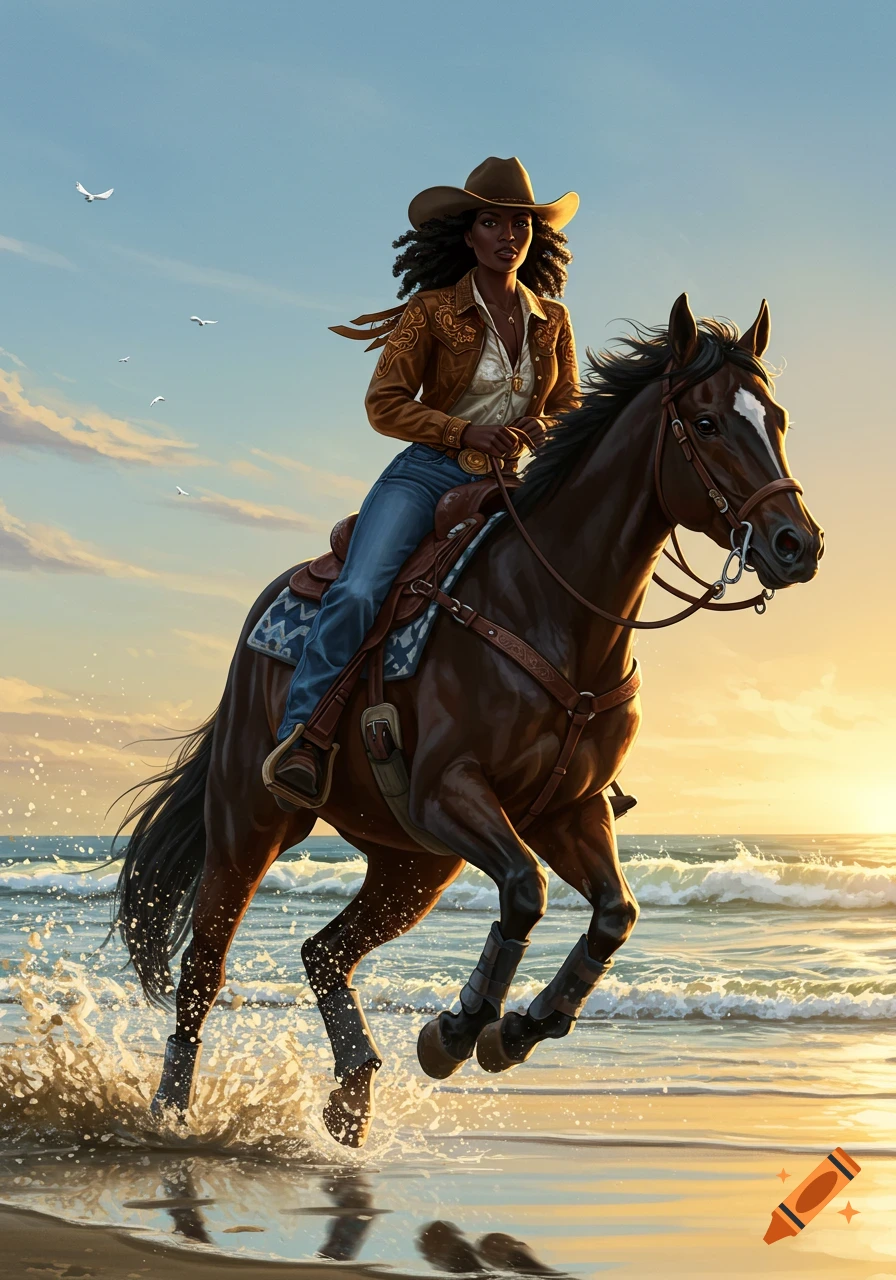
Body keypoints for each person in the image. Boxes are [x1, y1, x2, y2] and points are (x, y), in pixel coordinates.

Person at [263, 156, 581, 807]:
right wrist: (463, 432)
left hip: (507, 483)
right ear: (468, 235)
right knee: (358, 590)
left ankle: (574, 744)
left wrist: (540, 431)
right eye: (492, 222)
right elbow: (384, 402)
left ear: (533, 236)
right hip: (425, 475)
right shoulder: (432, 311)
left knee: (567, 592)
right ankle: (302, 736)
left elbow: (568, 405)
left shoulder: (553, 320)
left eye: (519, 224)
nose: (508, 235)